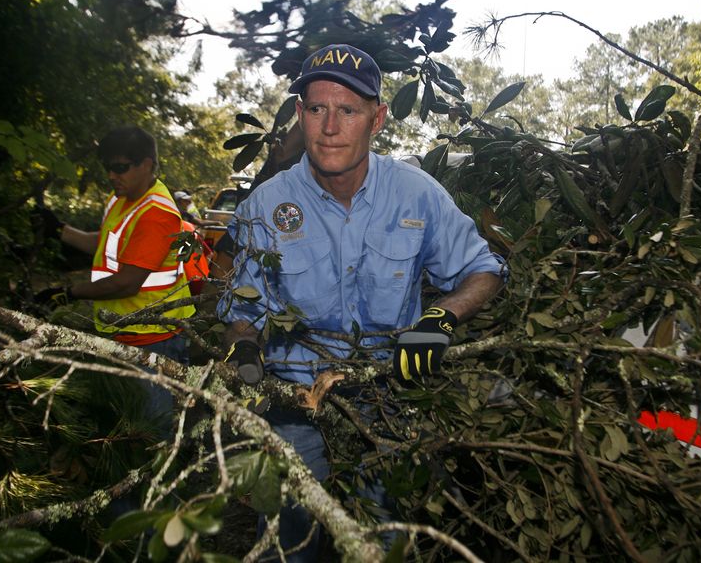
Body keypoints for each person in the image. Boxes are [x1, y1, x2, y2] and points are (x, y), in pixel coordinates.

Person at [216, 43, 506, 560]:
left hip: (386, 407)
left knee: (381, 544)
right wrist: (243, 351)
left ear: (377, 119)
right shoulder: (266, 206)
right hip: (294, 412)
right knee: (287, 545)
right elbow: (242, 313)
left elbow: (482, 269)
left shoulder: (416, 195)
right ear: (300, 116)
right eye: (317, 109)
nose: (330, 127)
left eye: (348, 110)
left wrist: (441, 317)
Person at [35, 125, 196, 426]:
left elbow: (127, 282)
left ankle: (155, 471)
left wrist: (69, 293)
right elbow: (106, 241)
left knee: (149, 427)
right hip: (125, 331)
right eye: (108, 168)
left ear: (147, 164)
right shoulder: (121, 200)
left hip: (154, 338)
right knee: (123, 419)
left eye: (120, 168)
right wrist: (59, 230)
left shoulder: (157, 213)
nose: (112, 175)